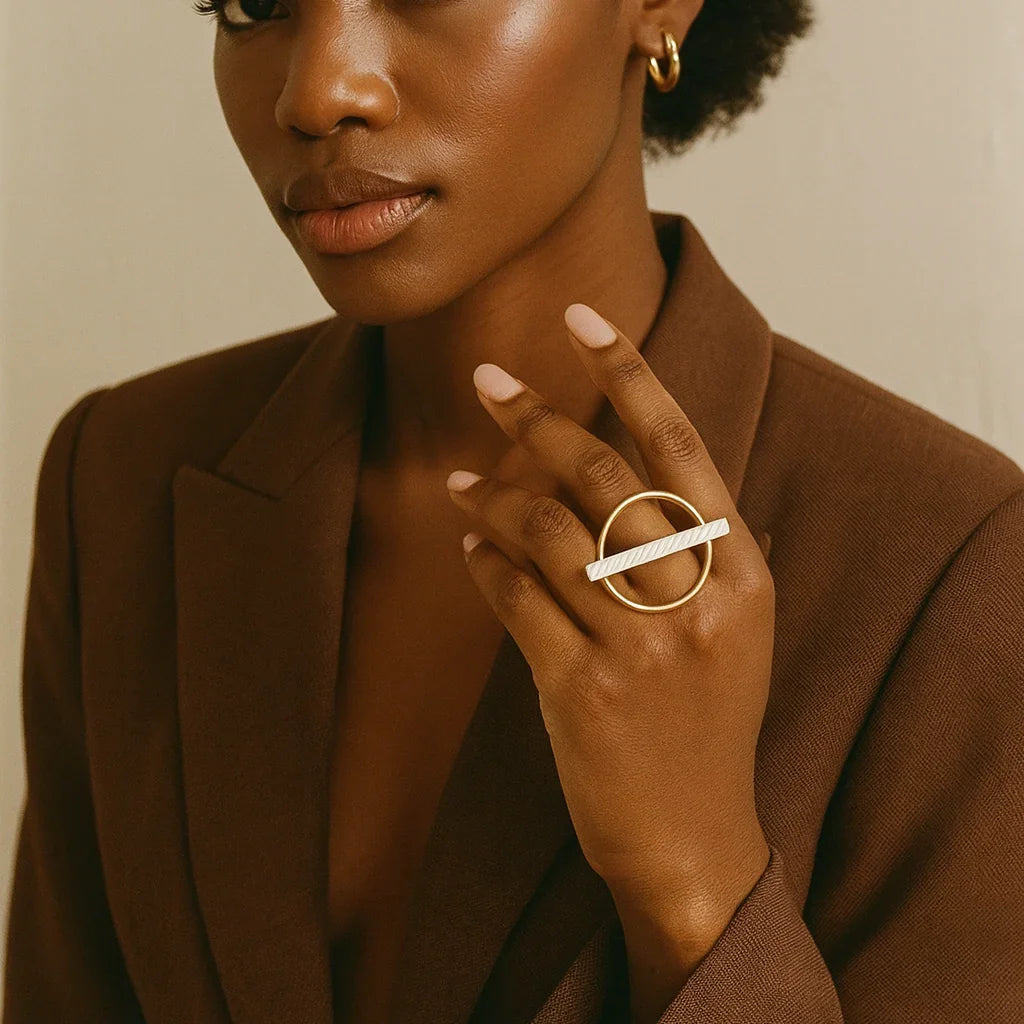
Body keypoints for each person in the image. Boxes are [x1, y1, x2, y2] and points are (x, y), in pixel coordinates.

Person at [4, 2, 1023, 1023]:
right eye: (252, 4)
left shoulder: (954, 562)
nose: (316, 93)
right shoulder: (122, 478)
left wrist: (695, 882)